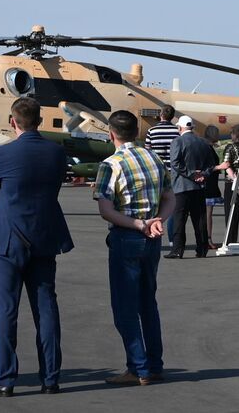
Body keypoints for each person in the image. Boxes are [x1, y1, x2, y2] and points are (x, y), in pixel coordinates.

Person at [0, 97, 73, 397]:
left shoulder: (4, 153)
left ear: (13, 121)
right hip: (44, 234)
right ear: (39, 121)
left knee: (6, 310)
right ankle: (51, 377)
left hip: (8, 237)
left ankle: (4, 378)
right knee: (46, 307)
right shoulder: (56, 153)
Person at [93, 110, 167, 386]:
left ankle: (138, 368)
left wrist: (139, 224)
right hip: (153, 237)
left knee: (125, 307)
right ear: (137, 132)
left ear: (111, 134)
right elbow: (170, 198)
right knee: (148, 303)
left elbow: (106, 210)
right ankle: (155, 364)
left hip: (128, 236)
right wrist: (158, 220)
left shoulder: (111, 165)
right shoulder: (154, 158)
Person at [165, 116, 218, 259]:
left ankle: (177, 250)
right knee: (199, 218)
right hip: (199, 186)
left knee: (179, 219)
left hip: (181, 186)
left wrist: (192, 174)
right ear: (192, 127)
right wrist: (203, 175)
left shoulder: (177, 141)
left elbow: (175, 163)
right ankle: (202, 249)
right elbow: (211, 164)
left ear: (179, 127)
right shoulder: (203, 142)